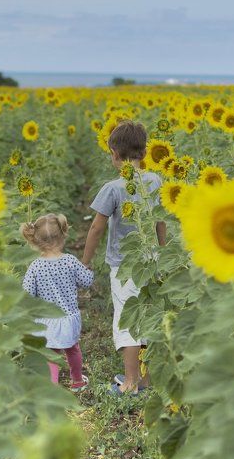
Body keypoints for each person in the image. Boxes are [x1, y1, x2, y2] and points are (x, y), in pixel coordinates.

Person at [82, 121, 166, 394]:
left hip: (125, 265)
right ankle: (147, 380)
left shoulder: (113, 188)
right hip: (152, 263)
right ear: (143, 153)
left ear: (116, 155)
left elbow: (96, 227)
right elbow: (160, 222)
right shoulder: (155, 181)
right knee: (150, 319)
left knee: (128, 320)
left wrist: (85, 261)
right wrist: (163, 251)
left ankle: (129, 383)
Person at [21, 213, 94, 390]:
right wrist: (89, 269)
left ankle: (51, 387)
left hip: (46, 320)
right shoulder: (70, 261)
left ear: (36, 240)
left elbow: (27, 293)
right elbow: (86, 281)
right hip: (68, 317)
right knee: (73, 350)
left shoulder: (35, 266)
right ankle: (77, 381)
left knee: (50, 355)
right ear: (63, 235)